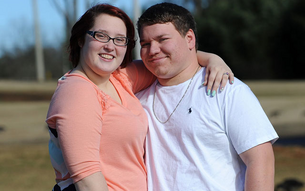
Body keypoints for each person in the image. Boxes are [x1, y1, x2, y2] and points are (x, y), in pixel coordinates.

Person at [46, 3, 234, 191]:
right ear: (81, 40)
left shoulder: (121, 78)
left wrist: (213, 60)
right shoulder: (77, 92)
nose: (110, 46)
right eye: (101, 36)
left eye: (120, 39)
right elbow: (87, 181)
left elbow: (172, 60)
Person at [136, 2, 279, 191]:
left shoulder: (226, 89)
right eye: (145, 43)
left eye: (162, 39)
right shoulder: (135, 96)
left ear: (189, 38)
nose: (153, 50)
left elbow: (261, 160)